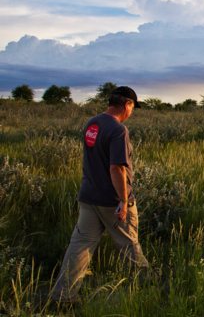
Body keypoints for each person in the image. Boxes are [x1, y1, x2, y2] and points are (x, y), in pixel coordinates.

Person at [50, 86, 149, 303]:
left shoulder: (92, 123)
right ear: (127, 104)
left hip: (88, 196)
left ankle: (62, 296)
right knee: (129, 244)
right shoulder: (118, 130)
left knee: (80, 246)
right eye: (133, 107)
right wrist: (123, 201)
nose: (132, 112)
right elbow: (117, 168)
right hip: (111, 201)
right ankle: (147, 287)